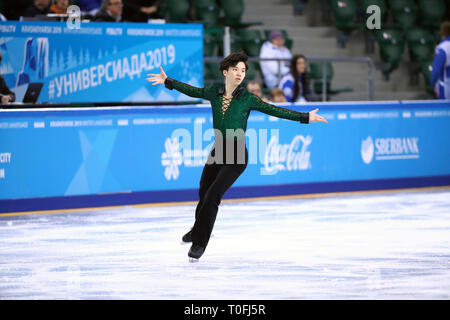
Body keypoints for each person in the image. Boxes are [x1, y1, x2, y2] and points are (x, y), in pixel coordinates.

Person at [146, 52, 327, 260]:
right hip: (218, 152)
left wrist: (305, 117)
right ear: (225, 72)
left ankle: (199, 243)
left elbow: (274, 110)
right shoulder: (214, 92)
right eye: (235, 70)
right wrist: (167, 81)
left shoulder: (247, 98)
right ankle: (197, 229)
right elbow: (192, 90)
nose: (240, 73)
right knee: (204, 192)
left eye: (243, 70)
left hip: (237, 155)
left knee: (213, 196)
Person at [430, 21, 450, 100]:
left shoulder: (443, 48)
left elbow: (437, 69)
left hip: (446, 85)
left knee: (445, 109)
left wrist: (432, 82)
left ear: (442, 32)